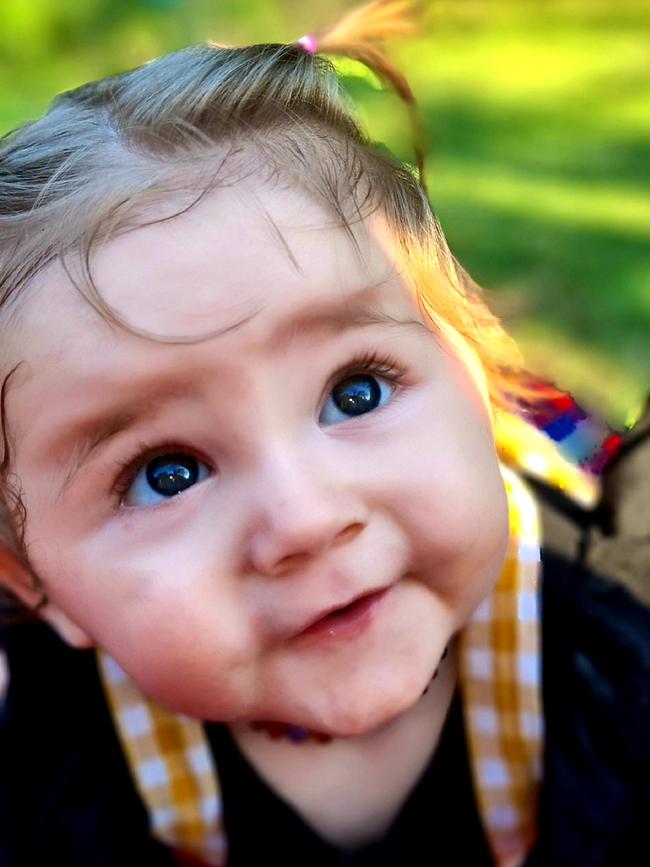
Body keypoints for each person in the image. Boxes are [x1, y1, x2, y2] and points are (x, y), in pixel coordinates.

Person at [0, 2, 647, 865]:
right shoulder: (42, 762)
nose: (305, 519)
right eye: (166, 473)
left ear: (464, 368)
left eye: (357, 391)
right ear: (33, 580)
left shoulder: (620, 643)